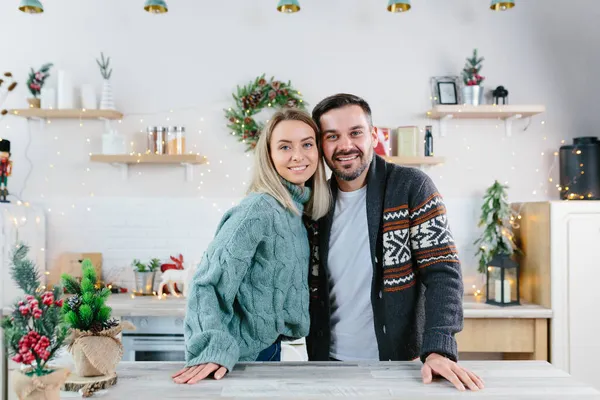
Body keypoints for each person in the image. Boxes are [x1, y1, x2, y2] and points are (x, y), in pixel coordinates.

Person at [305, 93, 484, 392]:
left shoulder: (410, 186)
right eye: (332, 136)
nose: (345, 145)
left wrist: (439, 347)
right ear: (321, 144)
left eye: (356, 133)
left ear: (373, 136)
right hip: (327, 364)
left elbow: (443, 273)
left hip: (401, 366)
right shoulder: (315, 203)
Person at [172, 108, 331, 384]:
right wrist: (212, 347)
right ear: (268, 156)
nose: (298, 155)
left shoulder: (295, 210)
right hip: (238, 357)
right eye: (284, 147)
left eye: (307, 144)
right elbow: (206, 283)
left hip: (268, 349)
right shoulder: (258, 209)